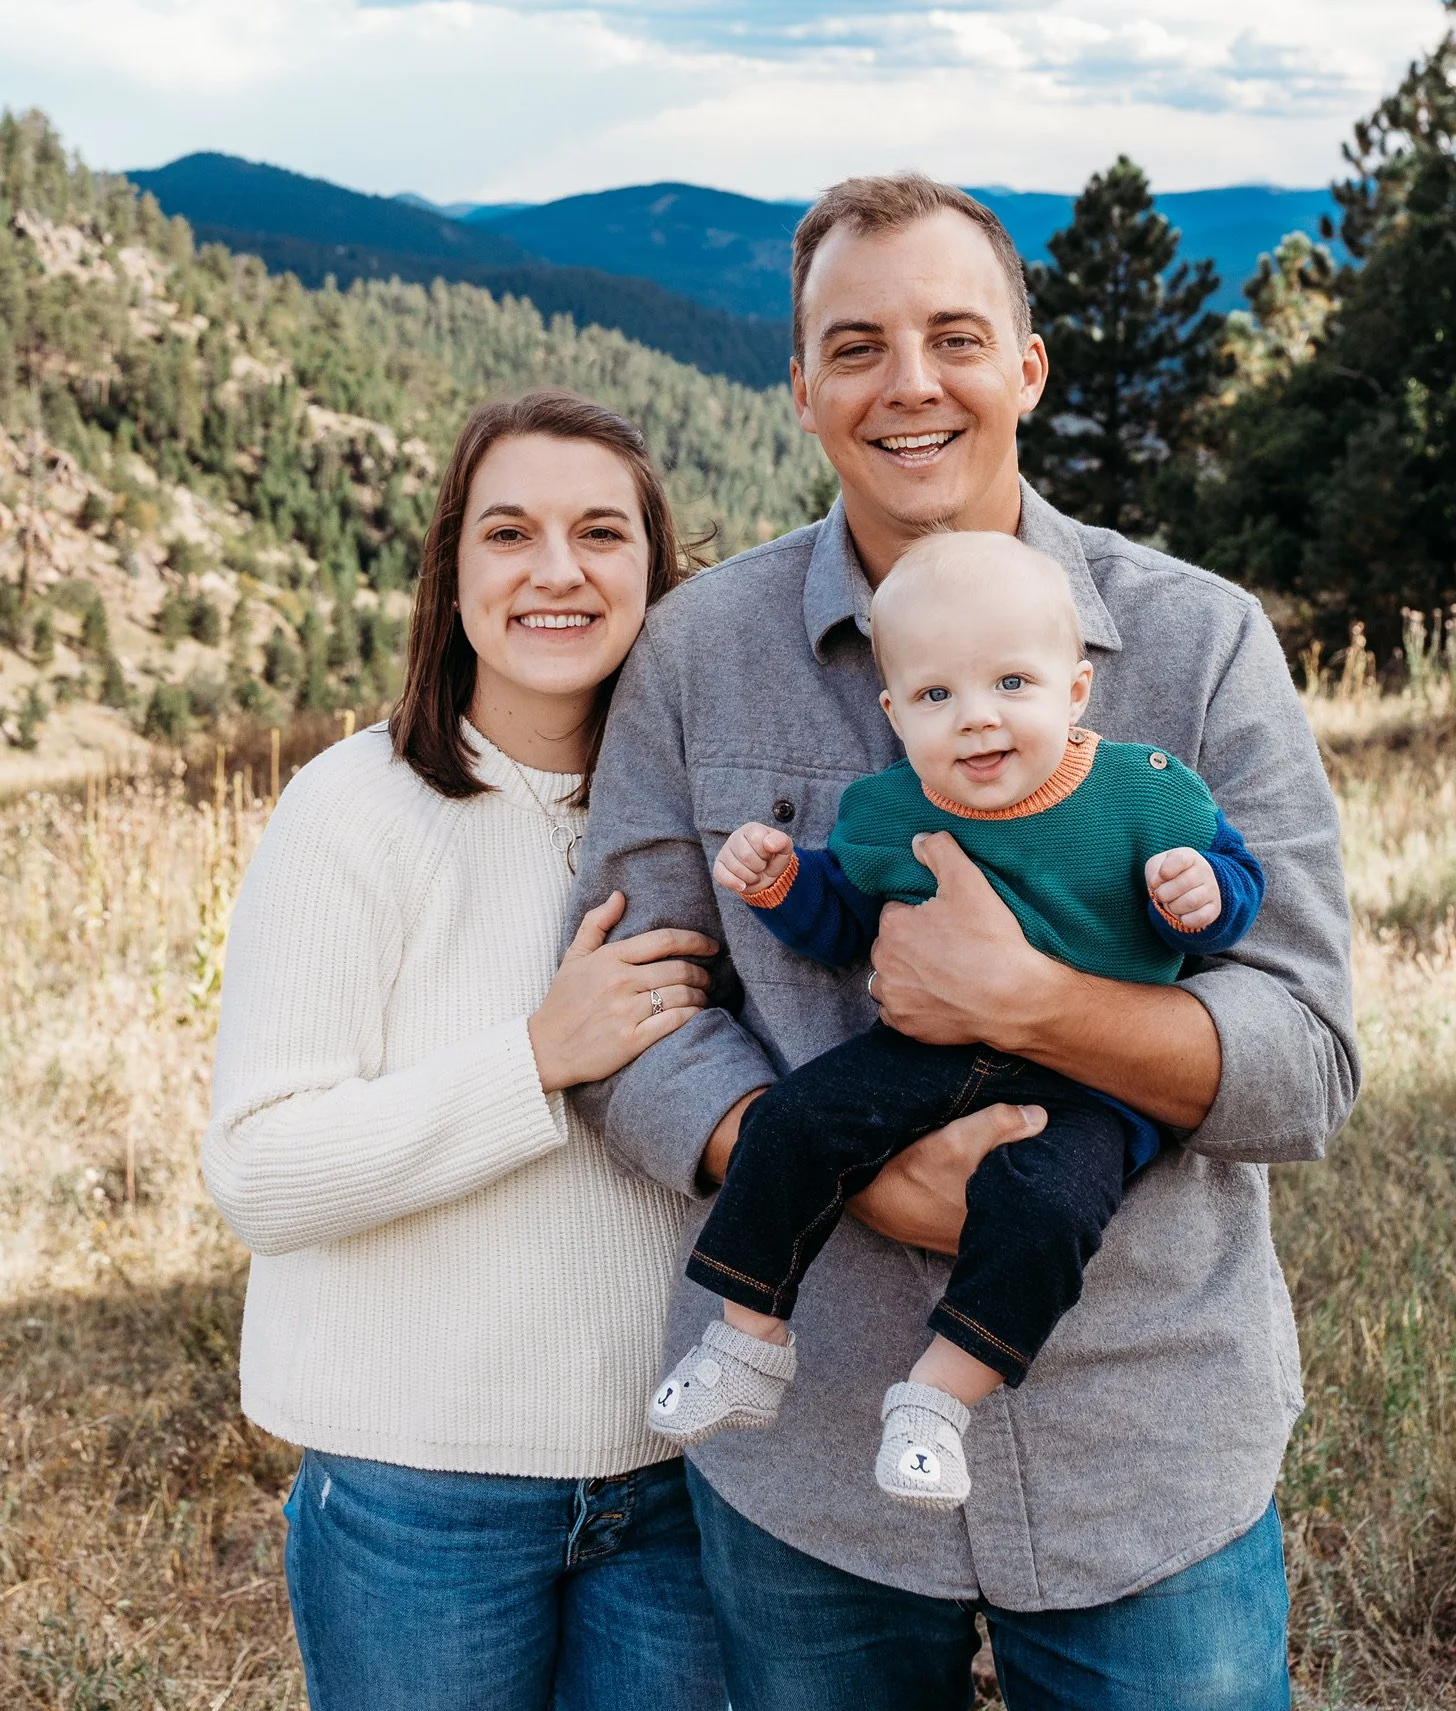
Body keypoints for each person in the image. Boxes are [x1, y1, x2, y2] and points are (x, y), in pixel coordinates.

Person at [568, 174, 1357, 1711]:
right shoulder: (695, 654)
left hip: (1148, 1446)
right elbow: (638, 1005)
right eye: (855, 346)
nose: (910, 384)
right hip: (811, 1470)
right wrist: (818, 1156)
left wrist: (1039, 1003)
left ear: (1029, 365)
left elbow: (1308, 1058)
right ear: (799, 388)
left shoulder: (1199, 646)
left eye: (953, 337)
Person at [202, 389, 728, 1711]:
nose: (559, 571)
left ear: (658, 573)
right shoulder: (354, 808)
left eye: (602, 534)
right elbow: (261, 1171)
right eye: (511, 534)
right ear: (453, 571)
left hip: (677, 1485)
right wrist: (536, 1058)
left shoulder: (709, 820)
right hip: (420, 1496)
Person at [649, 533, 1264, 1514]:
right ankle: (747, 1336)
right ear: (895, 714)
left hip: (1092, 1077)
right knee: (794, 1119)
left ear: (1075, 692)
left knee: (1049, 1209)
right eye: (936, 697)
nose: (976, 720)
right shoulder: (889, 809)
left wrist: (1200, 892)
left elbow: (1238, 887)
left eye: (1011, 683)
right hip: (928, 1049)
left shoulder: (1146, 793)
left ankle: (940, 1397)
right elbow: (840, 918)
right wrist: (782, 883)